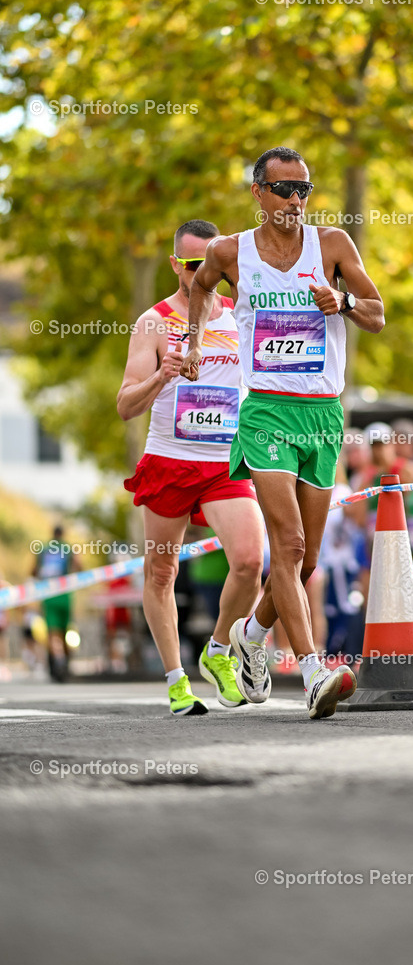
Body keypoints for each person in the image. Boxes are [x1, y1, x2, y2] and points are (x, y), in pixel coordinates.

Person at [181, 146, 384, 719]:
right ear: (258, 192)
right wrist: (194, 341)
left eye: (304, 190)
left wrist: (341, 301)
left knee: (308, 559)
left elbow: (377, 311)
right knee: (287, 545)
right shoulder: (230, 252)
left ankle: (248, 635)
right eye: (284, 190)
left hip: (323, 415)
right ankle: (314, 669)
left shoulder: (333, 246)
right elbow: (200, 286)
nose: (295, 201)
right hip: (266, 410)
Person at [118, 219, 264, 716]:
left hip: (225, 462)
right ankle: (177, 679)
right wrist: (162, 375)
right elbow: (125, 407)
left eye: (210, 262)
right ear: (174, 264)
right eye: (190, 263)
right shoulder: (154, 322)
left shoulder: (243, 316)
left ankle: (218, 650)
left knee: (249, 561)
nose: (201, 272)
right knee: (162, 571)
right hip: (169, 461)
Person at [33, 525, 80, 683]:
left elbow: (33, 571)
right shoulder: (68, 548)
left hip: (48, 595)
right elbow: (79, 567)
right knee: (66, 629)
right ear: (63, 533)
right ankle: (66, 662)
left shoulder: (43, 550)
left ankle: (58, 660)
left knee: (53, 632)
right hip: (65, 595)